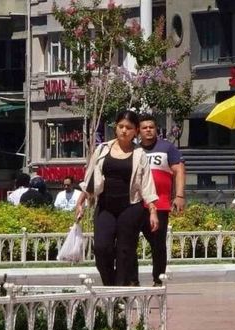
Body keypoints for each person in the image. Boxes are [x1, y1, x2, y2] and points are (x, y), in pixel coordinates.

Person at [75, 110, 159, 287]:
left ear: (136, 131)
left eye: (129, 128)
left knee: (124, 252)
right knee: (101, 248)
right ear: (115, 127)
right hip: (105, 206)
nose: (124, 131)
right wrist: (80, 201)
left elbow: (146, 184)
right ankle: (110, 284)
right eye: (121, 126)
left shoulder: (139, 154)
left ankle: (119, 291)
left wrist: (152, 211)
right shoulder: (102, 149)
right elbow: (90, 178)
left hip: (130, 207)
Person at [137, 113, 186, 287]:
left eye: (151, 127)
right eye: (144, 128)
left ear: (156, 129)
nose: (148, 130)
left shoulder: (167, 148)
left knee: (158, 244)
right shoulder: (134, 150)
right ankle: (131, 281)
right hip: (136, 205)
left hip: (160, 205)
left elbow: (179, 170)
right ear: (138, 131)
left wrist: (179, 196)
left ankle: (158, 279)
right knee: (128, 243)